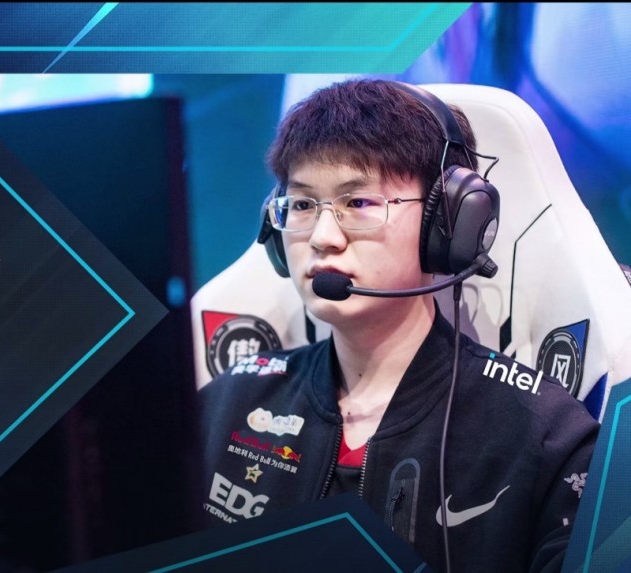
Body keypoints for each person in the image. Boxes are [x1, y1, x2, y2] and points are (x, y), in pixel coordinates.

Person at [198, 79, 600, 572]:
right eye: (302, 205)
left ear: (447, 223)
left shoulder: (541, 435)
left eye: (358, 203)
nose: (322, 237)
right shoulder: (227, 404)